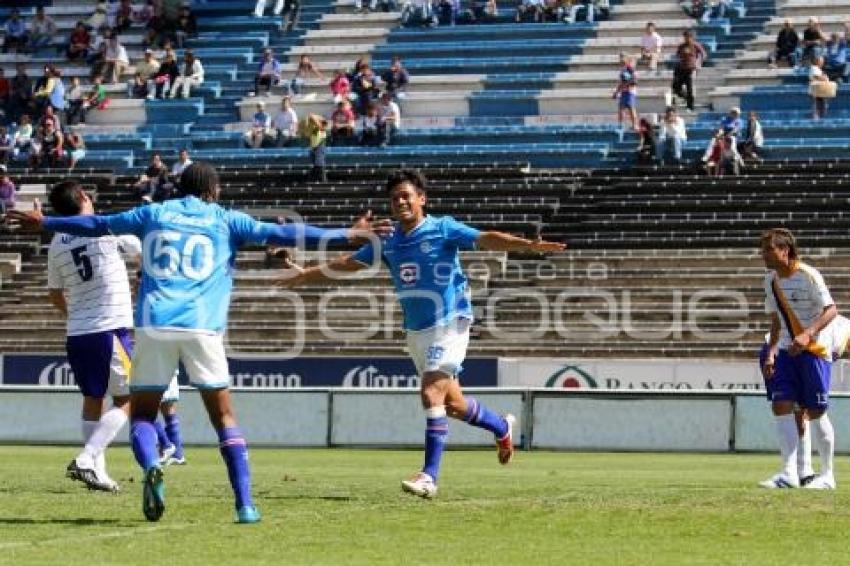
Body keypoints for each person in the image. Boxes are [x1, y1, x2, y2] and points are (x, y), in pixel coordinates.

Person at [8, 164, 391, 523]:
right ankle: (245, 505)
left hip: (153, 326)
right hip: (203, 328)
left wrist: (46, 222)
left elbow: (96, 224)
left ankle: (152, 468)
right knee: (223, 417)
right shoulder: (227, 219)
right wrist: (347, 233)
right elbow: (288, 234)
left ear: (180, 187)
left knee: (142, 415)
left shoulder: (152, 214)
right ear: (213, 190)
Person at [278, 169, 566, 498]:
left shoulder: (442, 228)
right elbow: (347, 263)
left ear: (421, 199)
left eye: (406, 196)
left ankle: (429, 477)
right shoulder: (388, 242)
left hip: (451, 321)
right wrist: (306, 276)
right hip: (417, 331)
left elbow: (485, 237)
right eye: (394, 198)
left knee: (431, 393)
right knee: (453, 405)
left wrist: (526, 245)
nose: (400, 201)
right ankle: (501, 427)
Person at [44, 182, 140, 493]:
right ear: (84, 197)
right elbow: (139, 251)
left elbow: (54, 293)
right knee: (130, 398)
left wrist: (74, 314)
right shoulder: (105, 229)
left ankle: (97, 471)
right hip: (109, 328)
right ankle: (87, 458)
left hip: (78, 333)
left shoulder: (56, 243)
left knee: (92, 399)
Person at [758, 228, 837, 490]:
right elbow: (776, 319)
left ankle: (827, 476)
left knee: (815, 410)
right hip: (784, 351)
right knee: (781, 405)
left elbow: (831, 310)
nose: (763, 255)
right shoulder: (770, 280)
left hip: (814, 350)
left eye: (768, 250)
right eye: (762, 250)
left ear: (785, 250)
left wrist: (808, 335)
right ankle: (788, 473)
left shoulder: (808, 275)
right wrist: (770, 351)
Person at [153, 376, 186, 466]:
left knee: (147, 409)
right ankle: (177, 455)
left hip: (154, 372)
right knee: (168, 409)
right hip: (169, 372)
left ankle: (166, 445)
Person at [671, 30, 706, 114]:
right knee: (676, 87)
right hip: (681, 69)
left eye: (688, 37)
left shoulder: (696, 45)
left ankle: (690, 106)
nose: (687, 39)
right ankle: (686, 97)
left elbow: (703, 54)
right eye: (685, 37)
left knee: (689, 88)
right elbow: (677, 56)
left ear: (692, 37)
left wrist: (698, 63)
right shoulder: (681, 46)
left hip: (691, 69)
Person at [613, 53, 638, 131]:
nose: (621, 60)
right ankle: (620, 125)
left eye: (623, 58)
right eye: (620, 58)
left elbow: (634, 80)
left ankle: (635, 125)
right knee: (620, 109)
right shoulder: (622, 70)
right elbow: (620, 83)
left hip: (630, 92)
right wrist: (616, 92)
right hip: (623, 92)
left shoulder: (630, 68)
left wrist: (626, 85)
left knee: (631, 108)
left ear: (627, 59)